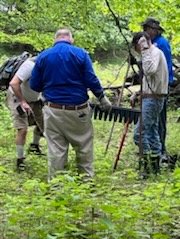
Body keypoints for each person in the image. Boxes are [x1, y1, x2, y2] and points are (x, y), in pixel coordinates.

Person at [30, 28, 112, 181]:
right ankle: (86, 182)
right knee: (84, 147)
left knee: (56, 150)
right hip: (78, 111)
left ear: (55, 40)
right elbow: (91, 79)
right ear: (71, 39)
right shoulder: (80, 54)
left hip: (52, 110)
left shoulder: (43, 56)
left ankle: (56, 184)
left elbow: (34, 85)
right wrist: (101, 97)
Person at [131, 31, 168, 178]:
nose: (138, 51)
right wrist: (138, 93)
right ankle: (155, 165)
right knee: (152, 132)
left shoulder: (154, 53)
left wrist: (144, 50)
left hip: (154, 98)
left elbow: (150, 70)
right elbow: (149, 79)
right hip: (150, 96)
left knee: (139, 133)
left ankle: (146, 166)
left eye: (137, 47)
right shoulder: (151, 54)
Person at [141, 17, 174, 159]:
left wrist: (161, 86)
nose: (147, 32)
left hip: (160, 87)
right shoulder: (152, 43)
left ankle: (160, 150)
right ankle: (154, 148)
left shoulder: (162, 44)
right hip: (152, 87)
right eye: (146, 29)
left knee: (159, 119)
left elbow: (163, 68)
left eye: (149, 29)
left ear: (154, 30)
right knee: (153, 121)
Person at [6, 56, 44, 171]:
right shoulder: (30, 66)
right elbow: (14, 83)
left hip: (36, 99)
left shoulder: (52, 68)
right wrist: (22, 101)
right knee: (22, 129)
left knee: (43, 123)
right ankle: (20, 160)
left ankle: (34, 146)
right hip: (17, 97)